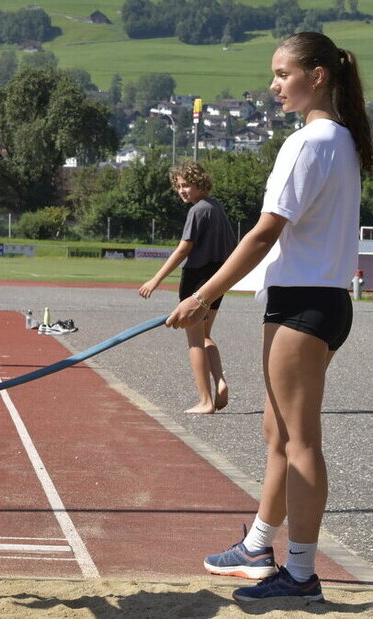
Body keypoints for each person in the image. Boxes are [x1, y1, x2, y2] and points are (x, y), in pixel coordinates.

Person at [167, 31, 371, 602]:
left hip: (303, 304)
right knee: (276, 432)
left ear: (318, 76)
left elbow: (263, 234)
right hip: (321, 302)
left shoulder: (309, 142)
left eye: (283, 74)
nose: (274, 85)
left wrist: (202, 296)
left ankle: (301, 574)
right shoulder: (342, 140)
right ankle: (258, 545)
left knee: (300, 441)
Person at [139, 162, 236, 415]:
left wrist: (155, 279)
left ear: (200, 184)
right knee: (205, 335)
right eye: (179, 186)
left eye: (187, 185)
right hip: (217, 279)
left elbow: (184, 249)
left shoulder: (198, 210)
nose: (182, 190)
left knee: (194, 341)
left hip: (196, 278)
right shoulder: (217, 207)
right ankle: (219, 381)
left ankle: (205, 401)